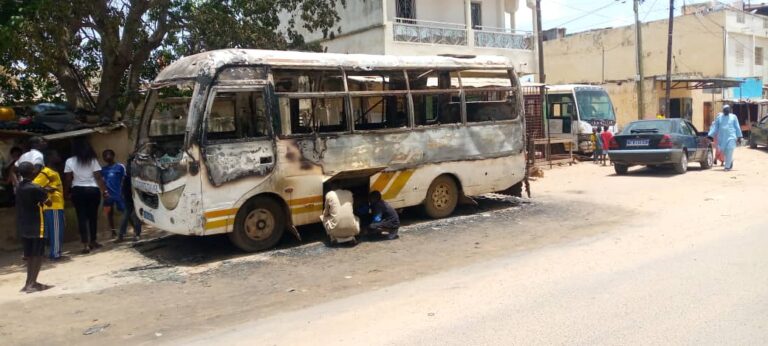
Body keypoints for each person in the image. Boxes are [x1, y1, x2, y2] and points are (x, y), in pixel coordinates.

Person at [64, 139, 107, 253]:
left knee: (81, 218)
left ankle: (85, 244)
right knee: (93, 217)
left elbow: (68, 179)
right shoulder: (92, 160)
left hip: (77, 191)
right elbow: (98, 177)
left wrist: (66, 192)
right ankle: (93, 241)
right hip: (93, 190)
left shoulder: (69, 161)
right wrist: (104, 191)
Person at [16, 162, 53, 293]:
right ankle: (32, 284)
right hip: (37, 224)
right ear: (33, 172)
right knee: (38, 254)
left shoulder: (18, 187)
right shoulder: (36, 188)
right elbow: (48, 202)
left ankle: (28, 282)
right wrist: (46, 191)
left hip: (24, 225)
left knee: (30, 254)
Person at [33, 155, 65, 261]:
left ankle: (54, 252)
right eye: (55, 154)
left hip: (57, 205)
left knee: (56, 230)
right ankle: (55, 253)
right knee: (56, 231)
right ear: (50, 159)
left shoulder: (53, 172)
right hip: (53, 206)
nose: (58, 157)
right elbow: (34, 186)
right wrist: (46, 190)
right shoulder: (46, 172)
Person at [707, 105, 743, 171]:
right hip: (722, 138)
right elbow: (715, 127)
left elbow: (737, 126)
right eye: (725, 110)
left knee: (729, 149)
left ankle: (727, 167)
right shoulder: (719, 117)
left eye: (728, 109)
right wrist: (710, 135)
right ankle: (730, 161)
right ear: (723, 110)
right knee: (725, 152)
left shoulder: (733, 117)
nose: (727, 111)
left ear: (729, 110)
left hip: (731, 136)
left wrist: (739, 136)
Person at [101, 149, 126, 237]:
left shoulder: (120, 166)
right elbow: (101, 182)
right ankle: (113, 231)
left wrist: (123, 191)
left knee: (125, 212)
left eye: (108, 155)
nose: (107, 157)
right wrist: (104, 192)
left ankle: (133, 229)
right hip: (108, 196)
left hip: (119, 194)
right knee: (108, 213)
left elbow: (124, 179)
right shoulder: (103, 170)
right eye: (104, 156)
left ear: (113, 155)